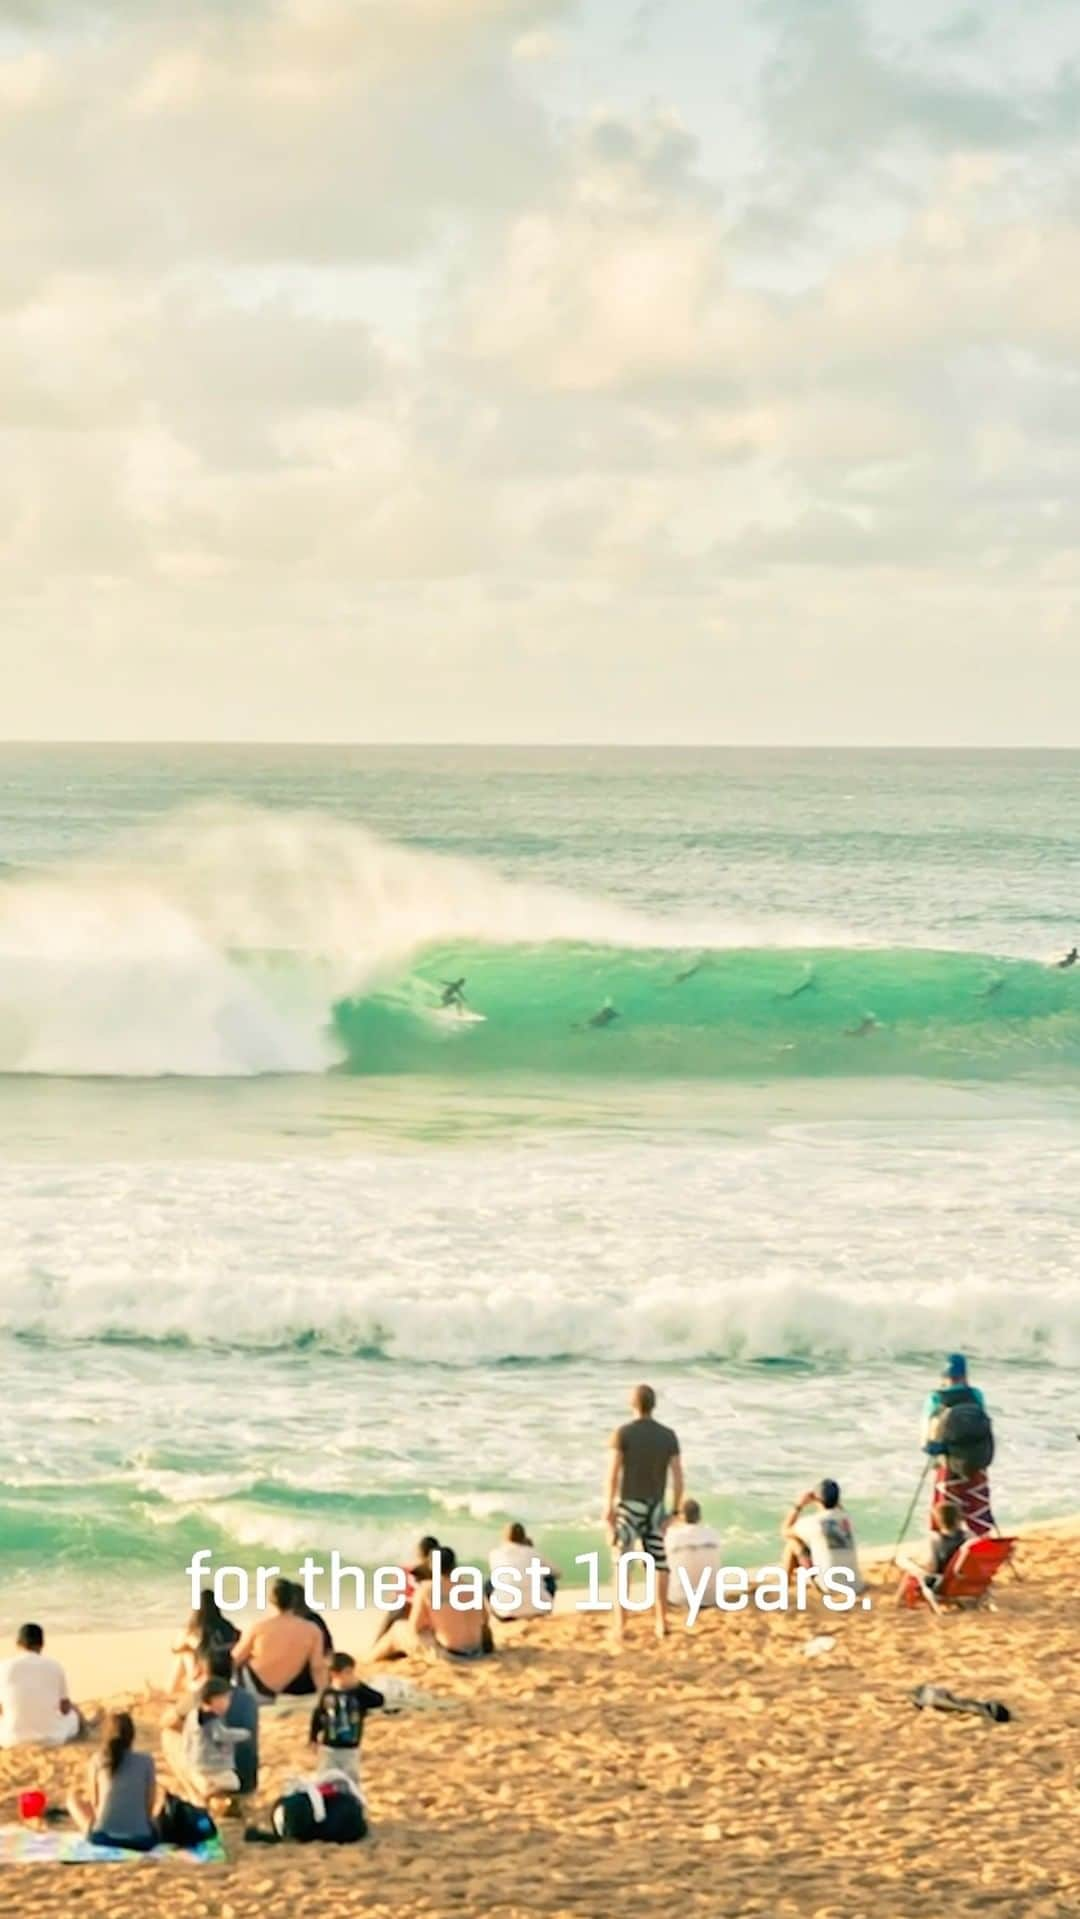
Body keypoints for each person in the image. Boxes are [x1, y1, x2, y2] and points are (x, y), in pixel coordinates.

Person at [604, 1383, 683, 1642]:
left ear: (632, 1404)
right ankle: (661, 1622)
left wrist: (608, 1507)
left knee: (622, 1565)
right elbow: (678, 1476)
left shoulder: (623, 1433)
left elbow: (614, 1473)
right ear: (654, 1405)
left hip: (629, 1505)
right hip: (656, 1507)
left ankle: (621, 1625)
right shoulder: (668, 1435)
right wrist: (675, 1510)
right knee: (659, 1564)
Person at [161, 1647, 259, 1794]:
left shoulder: (201, 1696)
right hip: (247, 1782)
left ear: (204, 1671)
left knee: (168, 1735)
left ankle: (196, 1794)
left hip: (215, 1776)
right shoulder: (248, 1699)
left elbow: (165, 1722)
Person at [371, 1547, 493, 1663]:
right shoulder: (472, 1588)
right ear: (454, 1565)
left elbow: (415, 1628)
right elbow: (485, 1620)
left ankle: (368, 1660)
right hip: (477, 1651)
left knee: (398, 1629)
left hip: (450, 1655)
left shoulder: (427, 1589)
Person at [922, 1353, 995, 1537]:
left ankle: (946, 1546)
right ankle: (980, 1542)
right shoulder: (976, 1395)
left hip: (948, 1464)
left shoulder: (935, 1398)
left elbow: (927, 1439)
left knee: (946, 1511)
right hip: (976, 1462)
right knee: (977, 1508)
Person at [67, 1711, 158, 1852]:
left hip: (103, 1838)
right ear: (132, 1736)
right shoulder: (146, 1761)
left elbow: (95, 1802)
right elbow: (149, 1804)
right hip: (142, 1840)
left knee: (73, 1799)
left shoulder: (97, 1760)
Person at [231, 1576, 329, 1700]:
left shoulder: (259, 1627)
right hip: (274, 1692)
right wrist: (324, 1695)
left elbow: (234, 1660)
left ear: (270, 1601)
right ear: (293, 1601)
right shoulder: (312, 1630)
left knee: (224, 1660)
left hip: (252, 1687)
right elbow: (317, 1668)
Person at [0, 1622, 85, 1749]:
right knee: (74, 1713)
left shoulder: (4, 1666)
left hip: (11, 1739)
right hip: (51, 1738)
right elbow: (65, 1708)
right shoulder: (55, 1666)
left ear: (17, 1643)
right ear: (42, 1644)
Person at [308, 1652, 386, 1786]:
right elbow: (318, 1715)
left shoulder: (358, 1694)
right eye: (347, 1672)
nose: (351, 1676)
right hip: (329, 1747)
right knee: (325, 1779)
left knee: (350, 1781)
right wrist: (313, 1738)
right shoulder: (328, 1694)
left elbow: (379, 1700)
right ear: (334, 1674)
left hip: (350, 1748)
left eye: (352, 1672)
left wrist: (360, 1686)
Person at [781, 1479, 863, 1591]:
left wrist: (798, 1506)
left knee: (792, 1543)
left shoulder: (813, 1522)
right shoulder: (847, 1518)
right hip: (855, 1585)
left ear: (816, 1499)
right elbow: (840, 1510)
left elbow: (785, 1531)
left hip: (828, 1586)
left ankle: (784, 1586)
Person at [178, 1677, 250, 1802]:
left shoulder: (193, 1714)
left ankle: (206, 1787)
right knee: (234, 1783)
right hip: (211, 1764)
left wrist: (187, 1758)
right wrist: (244, 1734)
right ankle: (208, 1793)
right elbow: (221, 1735)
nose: (228, 1702)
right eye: (226, 1698)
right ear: (214, 1699)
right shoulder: (212, 1718)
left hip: (195, 1761)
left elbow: (186, 1737)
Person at [370, 1536, 440, 1646]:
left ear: (418, 1553)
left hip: (412, 1617)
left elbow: (398, 1595)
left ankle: (377, 1643)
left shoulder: (405, 1571)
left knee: (398, 1605)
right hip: (433, 1621)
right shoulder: (443, 1575)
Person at [167, 1590, 240, 1695]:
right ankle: (174, 1689)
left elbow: (175, 1649)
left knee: (184, 1654)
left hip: (204, 1681)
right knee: (189, 1650)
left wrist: (189, 1648)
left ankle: (172, 1689)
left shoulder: (192, 1630)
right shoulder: (227, 1626)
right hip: (229, 1679)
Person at [488, 1521, 562, 1620]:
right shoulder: (533, 1553)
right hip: (538, 1610)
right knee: (549, 1579)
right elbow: (558, 1573)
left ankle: (497, 1611)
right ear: (524, 1537)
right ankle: (544, 1609)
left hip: (505, 1613)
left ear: (504, 1537)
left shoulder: (494, 1554)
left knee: (490, 1583)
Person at [664, 1498, 724, 1613]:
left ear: (680, 1516)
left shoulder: (672, 1535)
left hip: (679, 1598)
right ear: (699, 1516)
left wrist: (671, 1523)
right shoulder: (713, 1534)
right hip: (712, 1597)